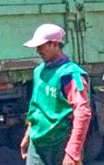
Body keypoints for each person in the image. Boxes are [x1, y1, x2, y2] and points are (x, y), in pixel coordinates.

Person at [20, 24, 92, 165]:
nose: (37, 50)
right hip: (38, 142)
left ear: (54, 44)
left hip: (61, 144)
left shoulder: (70, 74)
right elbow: (36, 108)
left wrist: (73, 151)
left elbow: (82, 112)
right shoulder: (39, 71)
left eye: (41, 46)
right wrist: (28, 135)